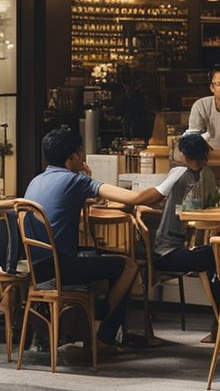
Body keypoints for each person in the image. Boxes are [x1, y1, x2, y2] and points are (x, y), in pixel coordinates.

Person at [20, 126, 164, 350]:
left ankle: (90, 329)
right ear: (74, 156)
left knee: (97, 260)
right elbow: (135, 197)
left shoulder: (35, 181)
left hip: (37, 267)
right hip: (61, 268)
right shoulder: (76, 181)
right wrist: (170, 183)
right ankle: (104, 337)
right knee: (128, 265)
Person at [145, 132, 220, 320]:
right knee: (217, 255)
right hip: (167, 254)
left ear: (184, 155)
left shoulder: (188, 174)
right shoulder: (188, 175)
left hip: (169, 249)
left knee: (217, 255)